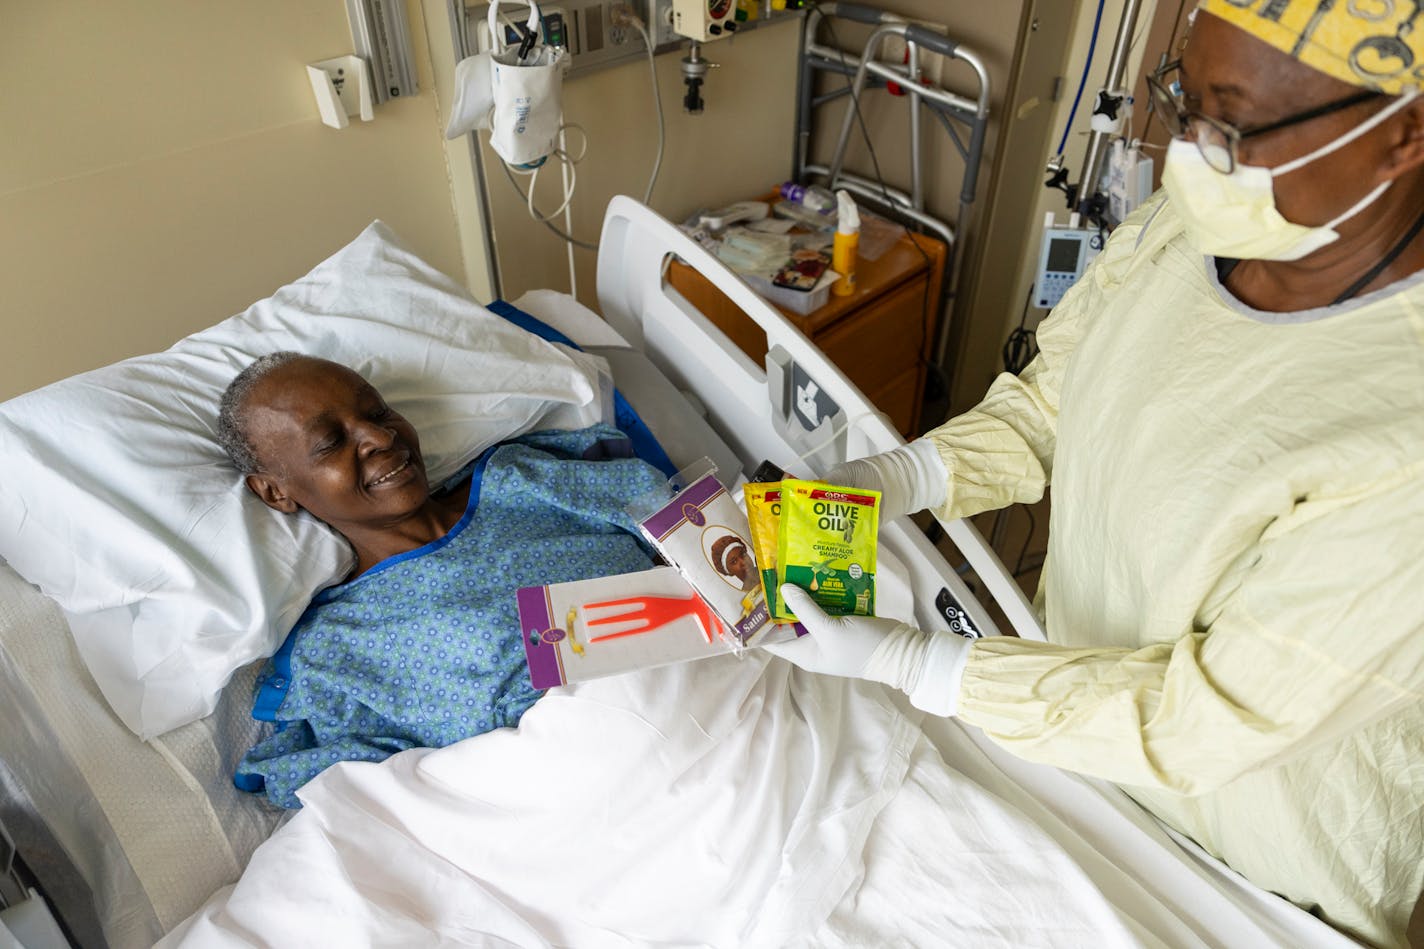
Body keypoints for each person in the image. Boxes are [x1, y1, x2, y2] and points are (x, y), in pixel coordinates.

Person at [766, 3, 1424, 946]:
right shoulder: (1188, 225)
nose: (1187, 154)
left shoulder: (1405, 438)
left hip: (1254, 860)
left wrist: (915, 663)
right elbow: (1053, 404)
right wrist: (902, 477)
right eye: (1182, 101)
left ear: (1404, 132)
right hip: (1076, 742)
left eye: (1229, 125)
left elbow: (1209, 720)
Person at [216, 352, 669, 807]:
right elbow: (371, 790)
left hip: (707, 673)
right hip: (599, 786)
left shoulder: (524, 478)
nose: (380, 436)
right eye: (331, 441)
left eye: (377, 413)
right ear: (275, 491)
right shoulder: (337, 646)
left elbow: (702, 536)